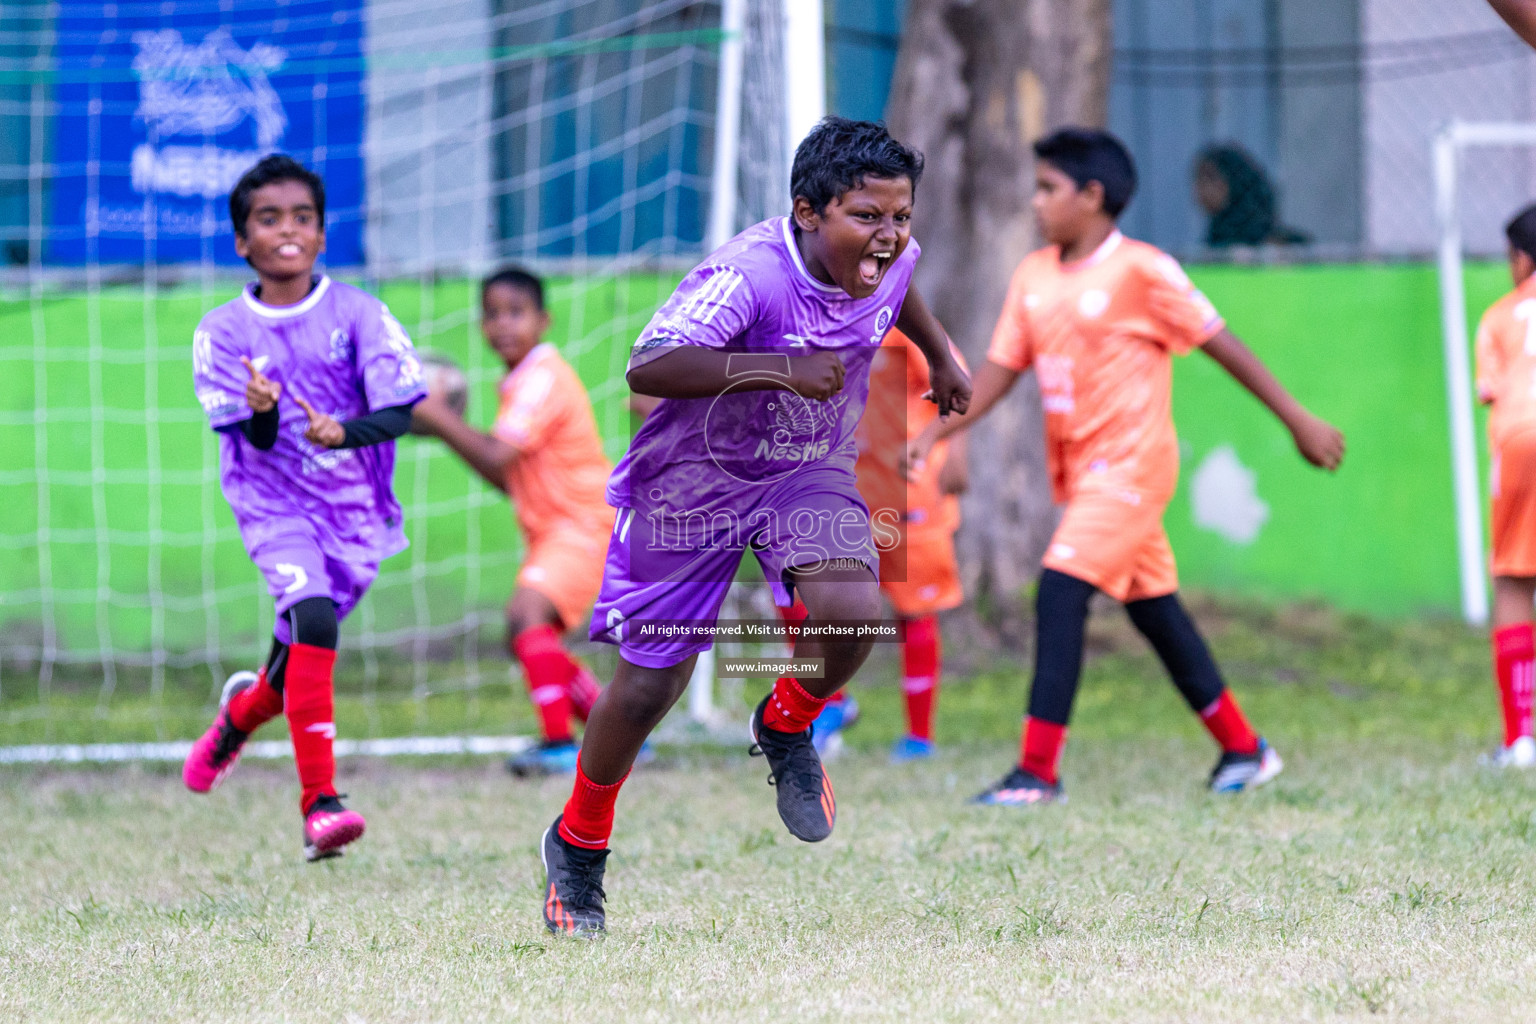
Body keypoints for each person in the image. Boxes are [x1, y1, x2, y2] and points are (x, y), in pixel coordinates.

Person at [537, 116, 972, 936]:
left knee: (855, 616)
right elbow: (648, 362)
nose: (887, 236)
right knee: (647, 687)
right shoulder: (749, 276)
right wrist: (776, 367)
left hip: (807, 472)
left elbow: (900, 283)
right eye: (866, 218)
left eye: (900, 216)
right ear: (808, 212)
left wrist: (942, 357)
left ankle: (784, 719)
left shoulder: (891, 254)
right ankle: (577, 845)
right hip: (691, 485)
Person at [909, 127, 1344, 806]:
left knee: (1060, 590)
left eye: (1048, 188)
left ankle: (1036, 773)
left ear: (1093, 196)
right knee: (1155, 611)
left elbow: (1221, 344)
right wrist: (932, 434)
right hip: (1083, 476)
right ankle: (1244, 749)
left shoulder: (1143, 270)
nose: (1036, 201)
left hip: (1133, 468)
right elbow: (996, 376)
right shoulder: (1033, 276)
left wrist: (1298, 419)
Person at [182, 154, 427, 860]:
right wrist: (263, 411)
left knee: (296, 655)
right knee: (312, 615)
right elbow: (250, 440)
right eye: (268, 218)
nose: (286, 230)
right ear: (242, 241)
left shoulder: (359, 313)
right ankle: (321, 802)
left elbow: (402, 415)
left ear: (321, 235)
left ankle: (240, 715)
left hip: (352, 511)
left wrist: (344, 432)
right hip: (272, 505)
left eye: (302, 218)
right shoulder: (223, 332)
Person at [411, 267, 615, 777]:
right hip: (560, 527)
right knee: (523, 634)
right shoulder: (520, 380)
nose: (503, 325)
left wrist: (437, 417)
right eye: (492, 315)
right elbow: (508, 476)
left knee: (528, 616)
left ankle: (558, 745)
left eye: (516, 313)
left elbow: (498, 453)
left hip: (584, 523)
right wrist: (444, 426)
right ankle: (613, 729)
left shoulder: (543, 377)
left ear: (542, 320)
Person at [803, 329, 970, 761]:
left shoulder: (903, 324)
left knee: (914, 613)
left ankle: (919, 737)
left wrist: (954, 453)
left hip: (909, 493)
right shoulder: (816, 319)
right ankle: (832, 706)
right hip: (846, 489)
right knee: (808, 595)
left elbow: (957, 385)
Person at [1473, 203, 1536, 769]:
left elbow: (1491, 390)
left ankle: (1522, 741)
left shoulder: (1499, 316)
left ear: (1520, 259)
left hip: (1520, 439)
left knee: (1515, 579)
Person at [1193, 145, 1308, 249]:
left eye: (1210, 178)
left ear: (1235, 180)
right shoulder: (1213, 243)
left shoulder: (1280, 247)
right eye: (1198, 179)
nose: (1200, 188)